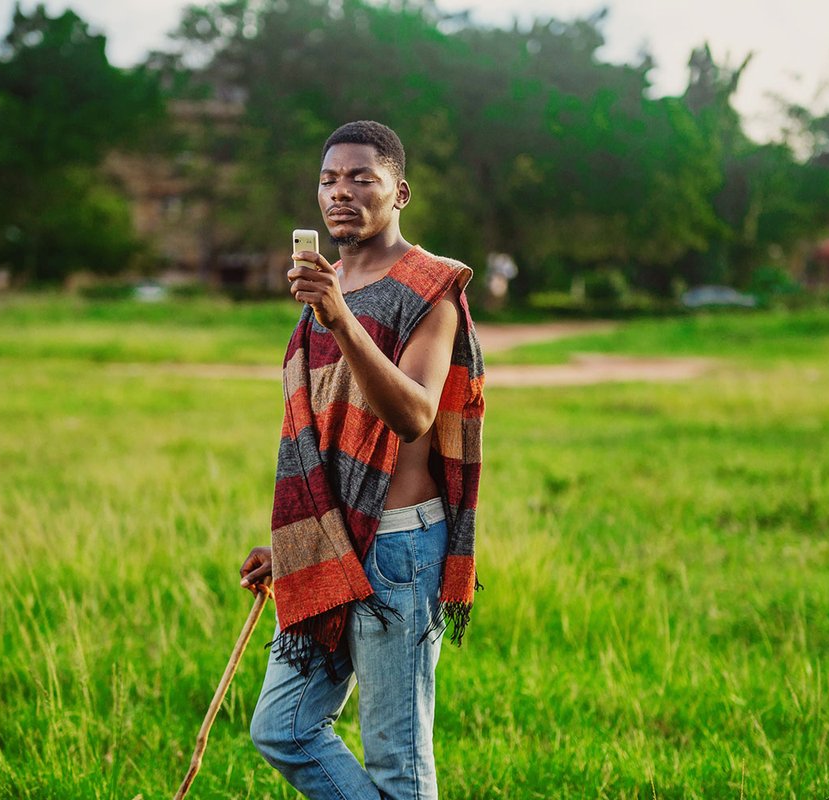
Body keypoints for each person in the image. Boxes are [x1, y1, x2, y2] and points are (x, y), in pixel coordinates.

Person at [238, 120, 485, 799]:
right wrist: (294, 547)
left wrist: (341, 319)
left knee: (397, 769)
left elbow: (414, 415)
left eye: (360, 179)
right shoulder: (328, 281)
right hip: (333, 546)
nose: (339, 193)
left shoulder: (428, 287)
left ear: (399, 191)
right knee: (283, 728)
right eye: (328, 180)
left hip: (400, 550)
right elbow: (325, 429)